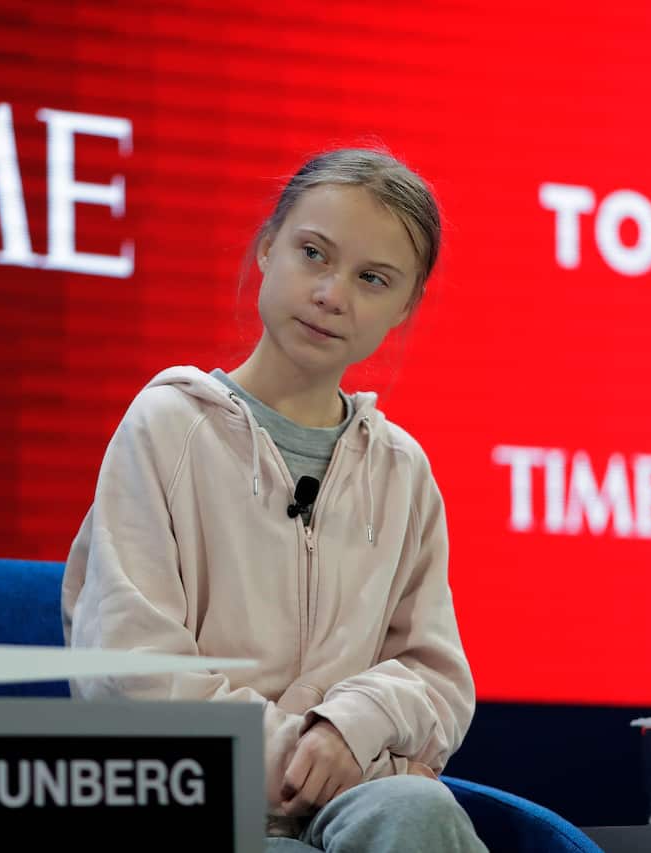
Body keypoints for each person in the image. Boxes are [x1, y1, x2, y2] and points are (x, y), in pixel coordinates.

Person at [61, 147, 486, 852]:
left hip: (348, 798)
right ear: (267, 247)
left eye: (372, 278)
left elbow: (434, 676)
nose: (332, 294)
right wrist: (319, 757)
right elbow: (131, 677)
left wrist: (355, 724)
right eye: (313, 254)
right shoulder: (166, 427)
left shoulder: (402, 470)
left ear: (405, 305)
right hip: (192, 799)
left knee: (420, 813)